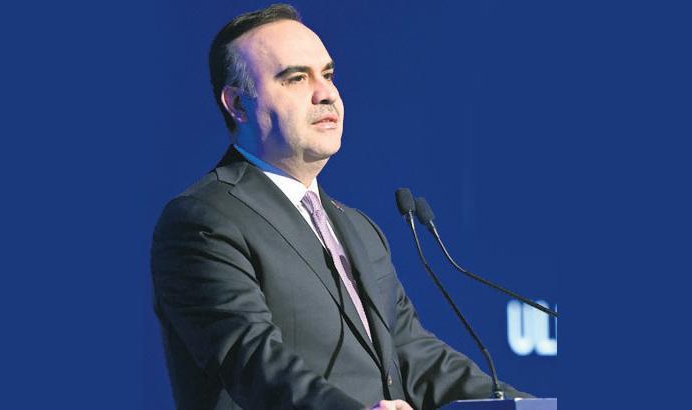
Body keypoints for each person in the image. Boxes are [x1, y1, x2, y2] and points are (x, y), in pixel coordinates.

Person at [151, 4, 531, 410]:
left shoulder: (360, 229)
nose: (326, 93)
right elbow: (253, 362)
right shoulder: (204, 219)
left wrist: (525, 405)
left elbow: (416, 357)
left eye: (328, 75)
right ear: (238, 104)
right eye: (297, 78)